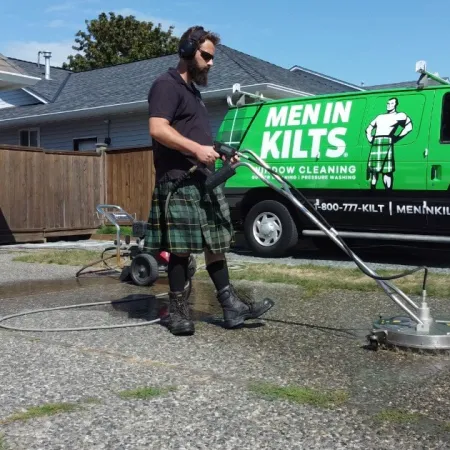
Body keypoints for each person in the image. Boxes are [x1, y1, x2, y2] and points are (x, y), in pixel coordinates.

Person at [145, 25, 274, 336]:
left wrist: (220, 151)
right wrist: (196, 150)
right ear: (188, 51)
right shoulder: (166, 85)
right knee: (181, 249)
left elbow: (197, 137)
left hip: (203, 179)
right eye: (206, 56)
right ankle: (177, 311)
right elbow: (158, 129)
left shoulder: (193, 93)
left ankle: (231, 307)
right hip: (179, 181)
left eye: (212, 57)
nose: (211, 63)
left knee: (216, 244)